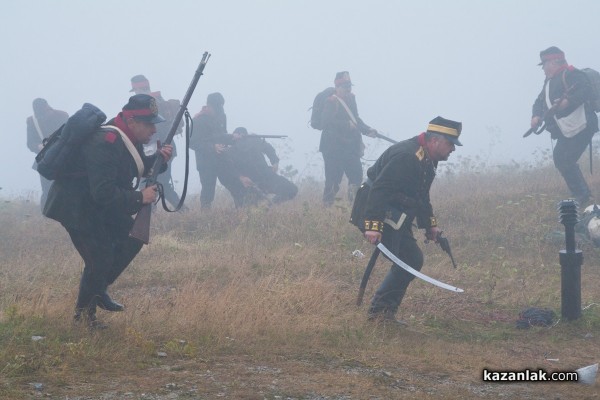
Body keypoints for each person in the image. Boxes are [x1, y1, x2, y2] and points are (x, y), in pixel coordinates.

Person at [43, 94, 172, 328]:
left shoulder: (127, 138)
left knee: (132, 238)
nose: (153, 129)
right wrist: (139, 197)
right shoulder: (108, 140)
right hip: (75, 206)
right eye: (149, 123)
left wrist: (159, 160)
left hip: (95, 204)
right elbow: (103, 192)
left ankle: (97, 288)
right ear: (132, 121)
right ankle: (84, 317)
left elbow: (137, 167)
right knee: (100, 257)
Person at [362, 116, 462, 325]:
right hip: (378, 209)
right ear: (435, 141)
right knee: (411, 259)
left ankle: (382, 313)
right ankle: (379, 314)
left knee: (410, 259)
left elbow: (421, 194)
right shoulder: (407, 156)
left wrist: (430, 225)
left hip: (398, 213)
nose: (453, 149)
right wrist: (373, 225)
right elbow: (380, 189)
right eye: (450, 144)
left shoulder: (427, 157)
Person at [531, 46, 598, 206]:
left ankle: (582, 196)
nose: (543, 69)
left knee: (564, 159)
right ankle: (582, 194)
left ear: (554, 62)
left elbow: (585, 90)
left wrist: (568, 102)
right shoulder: (548, 82)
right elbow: (539, 101)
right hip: (567, 128)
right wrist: (536, 115)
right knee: (561, 158)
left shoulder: (572, 74)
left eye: (544, 64)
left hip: (582, 124)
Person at [319, 71, 378, 206]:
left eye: (349, 85)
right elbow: (325, 123)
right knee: (333, 181)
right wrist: (346, 125)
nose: (348, 89)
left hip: (349, 147)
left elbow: (355, 119)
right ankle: (326, 207)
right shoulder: (331, 101)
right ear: (337, 87)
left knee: (356, 176)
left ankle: (354, 207)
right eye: (345, 86)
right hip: (332, 148)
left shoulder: (351, 99)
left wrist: (367, 129)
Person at [130, 74, 183, 208]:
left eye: (135, 90)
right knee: (154, 184)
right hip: (162, 148)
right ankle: (179, 210)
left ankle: (182, 210)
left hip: (160, 149)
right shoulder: (157, 102)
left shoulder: (151, 105)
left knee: (157, 184)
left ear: (138, 89)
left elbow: (159, 129)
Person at [190, 93, 247, 208]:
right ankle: (205, 219)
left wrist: (233, 138)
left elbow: (222, 135)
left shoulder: (222, 116)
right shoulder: (197, 120)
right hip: (206, 163)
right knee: (208, 193)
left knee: (236, 186)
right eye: (217, 106)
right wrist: (212, 147)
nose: (219, 109)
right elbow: (193, 142)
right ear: (209, 105)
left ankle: (242, 214)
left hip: (222, 159)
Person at [227, 127, 298, 204]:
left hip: (266, 176)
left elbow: (269, 149)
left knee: (291, 189)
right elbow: (230, 169)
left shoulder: (255, 141)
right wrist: (241, 178)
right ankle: (264, 206)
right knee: (247, 207)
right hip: (249, 183)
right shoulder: (230, 151)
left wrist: (275, 162)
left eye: (242, 136)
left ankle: (269, 206)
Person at [26, 98, 69, 210]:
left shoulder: (63, 116)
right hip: (45, 159)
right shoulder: (32, 121)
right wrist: (38, 146)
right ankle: (46, 214)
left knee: (64, 187)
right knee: (47, 189)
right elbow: (30, 143)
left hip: (62, 158)